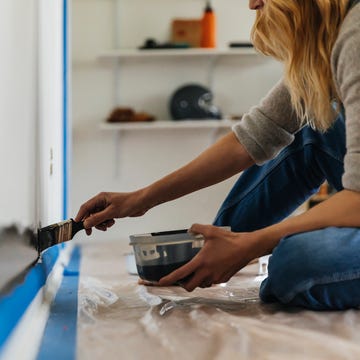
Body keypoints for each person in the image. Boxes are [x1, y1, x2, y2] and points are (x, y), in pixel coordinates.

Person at [76, 0, 360, 310]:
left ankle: (240, 250)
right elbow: (251, 138)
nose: (251, 3)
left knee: (294, 265)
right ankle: (210, 253)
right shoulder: (327, 43)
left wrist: (251, 246)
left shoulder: (355, 36)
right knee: (312, 132)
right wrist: (141, 199)